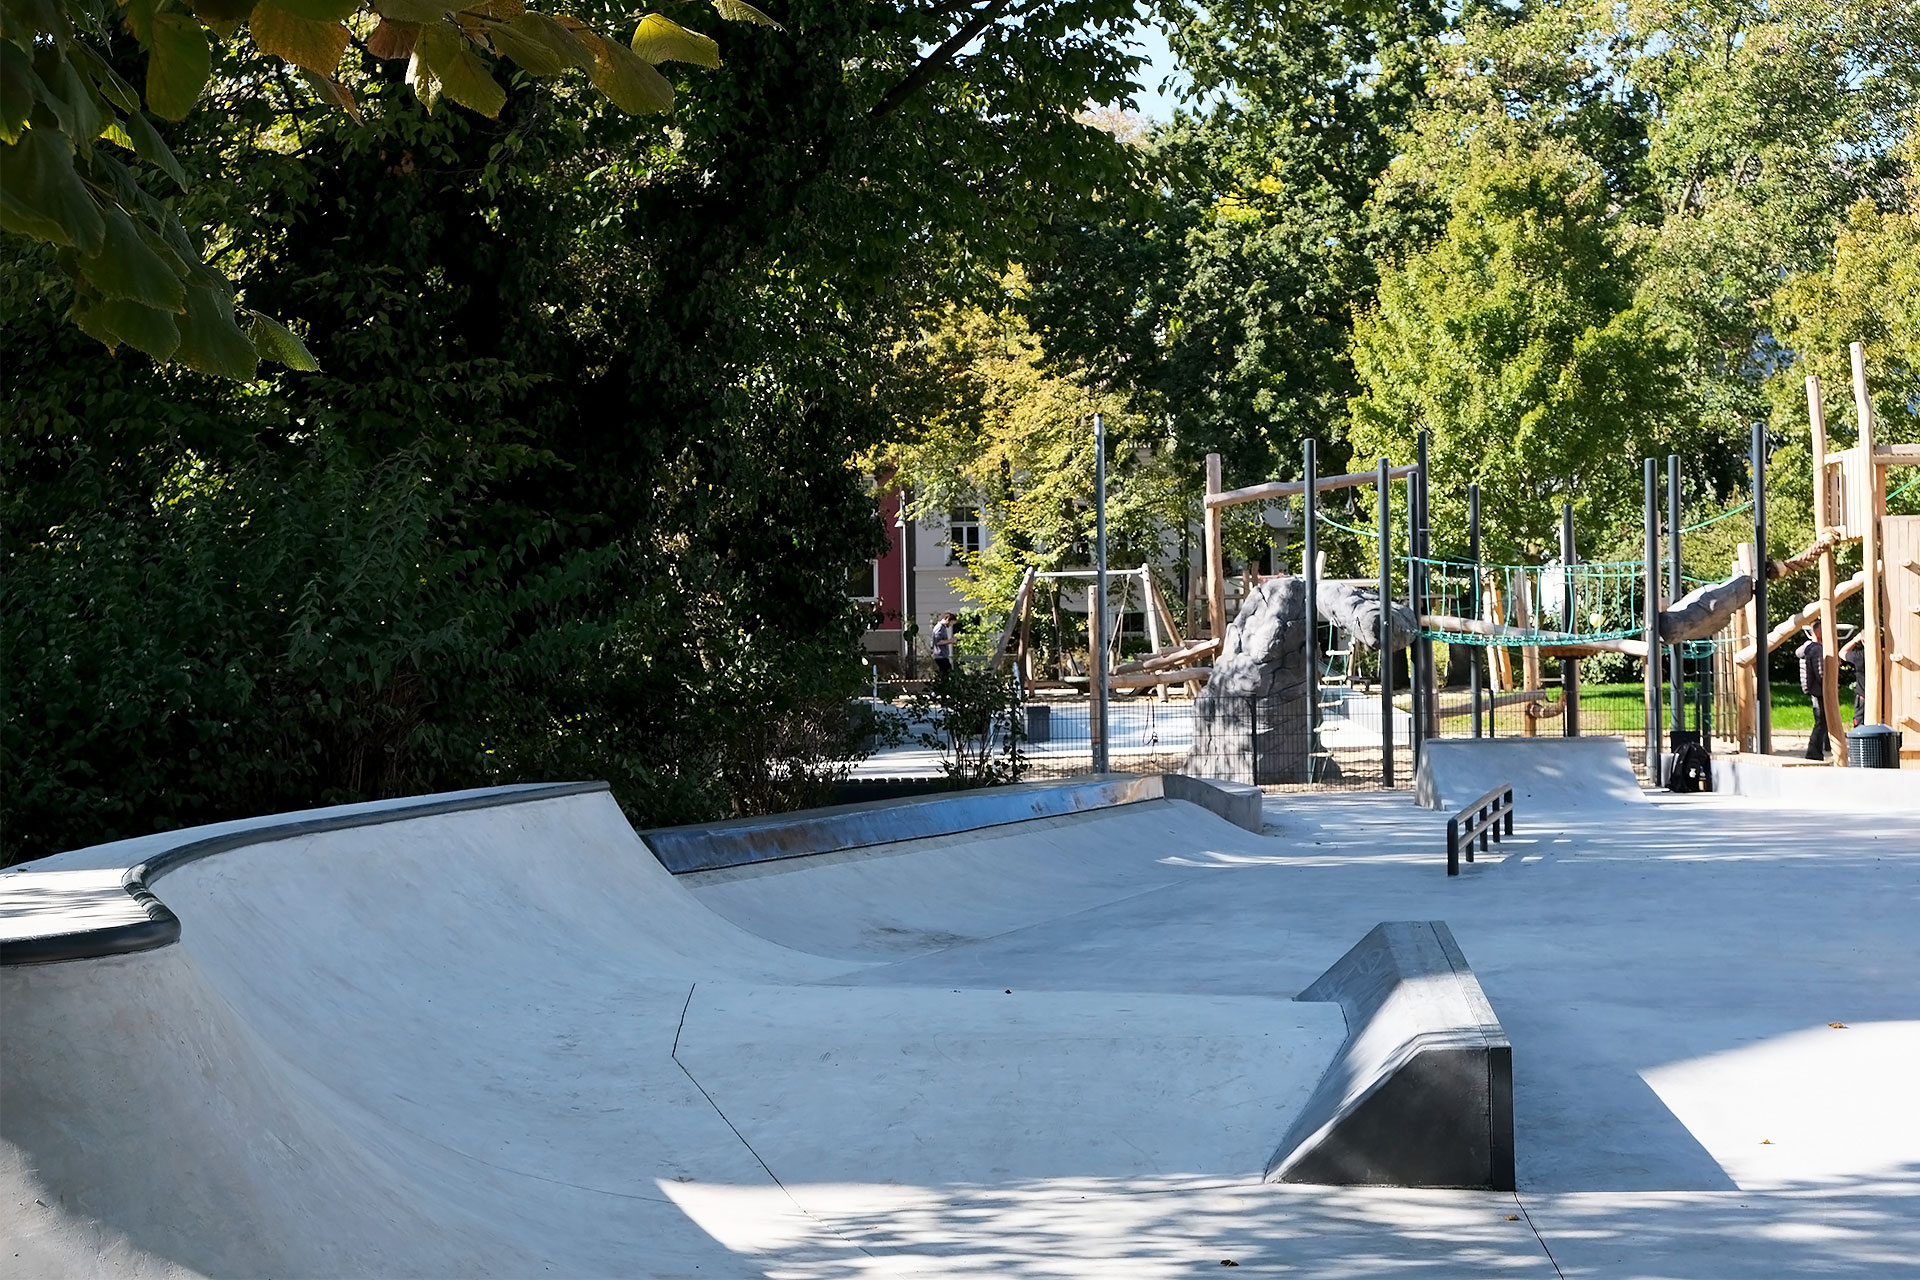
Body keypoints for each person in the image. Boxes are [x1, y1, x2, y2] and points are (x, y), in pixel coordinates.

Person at [1796, 622, 1829, 760]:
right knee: (1821, 722)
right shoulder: (1816, 650)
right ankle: (1814, 753)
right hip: (1819, 689)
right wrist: (1828, 686)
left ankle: (1824, 747)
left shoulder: (1807, 648)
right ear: (1818, 633)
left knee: (1822, 720)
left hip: (1813, 688)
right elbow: (1821, 671)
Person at [931, 612, 956, 676]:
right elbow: (938, 641)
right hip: (940, 656)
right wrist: (950, 641)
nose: (951, 625)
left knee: (946, 673)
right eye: (951, 623)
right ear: (947, 619)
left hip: (943, 655)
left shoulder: (943, 628)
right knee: (947, 673)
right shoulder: (939, 628)